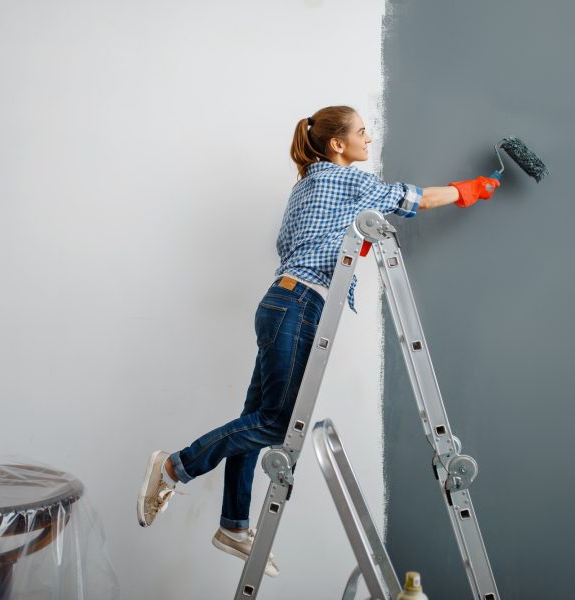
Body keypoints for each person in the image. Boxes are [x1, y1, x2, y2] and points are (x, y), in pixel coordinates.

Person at [136, 105, 499, 576]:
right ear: (337, 144)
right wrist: (469, 190)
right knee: (277, 423)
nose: (369, 140)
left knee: (254, 419)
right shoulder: (346, 180)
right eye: (362, 133)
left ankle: (233, 525)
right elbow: (417, 200)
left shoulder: (305, 186)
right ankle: (173, 468)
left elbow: (292, 244)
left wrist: (346, 242)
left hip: (279, 303)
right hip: (299, 306)